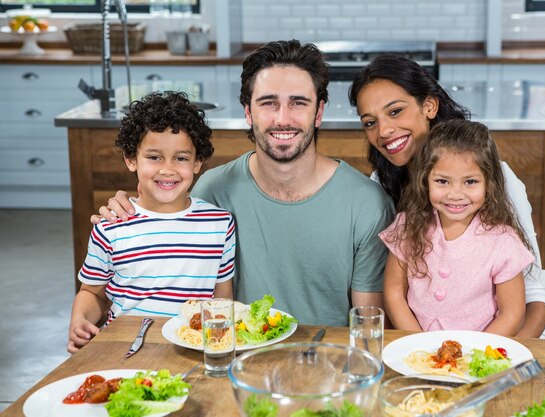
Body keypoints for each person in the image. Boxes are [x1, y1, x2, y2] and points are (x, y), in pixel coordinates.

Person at [92, 40, 395, 327]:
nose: (282, 118)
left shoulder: (367, 204)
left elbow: (367, 325)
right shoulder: (211, 191)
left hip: (329, 369)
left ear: (319, 112)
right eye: (268, 103)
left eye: (298, 103)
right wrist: (128, 207)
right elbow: (160, 246)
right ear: (248, 113)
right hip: (232, 367)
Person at [349, 55, 545, 337]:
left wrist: (491, 364)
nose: (384, 131)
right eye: (370, 122)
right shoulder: (379, 185)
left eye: (395, 111)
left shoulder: (497, 179)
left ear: (429, 105)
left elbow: (534, 297)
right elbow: (389, 289)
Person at [69, 91, 236, 353]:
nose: (167, 169)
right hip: (126, 350)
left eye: (180, 158)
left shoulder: (220, 224)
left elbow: (223, 299)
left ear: (197, 162)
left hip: (191, 351)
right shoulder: (111, 225)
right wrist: (80, 321)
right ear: (131, 159)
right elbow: (92, 292)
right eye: (154, 157)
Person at [380, 120, 533, 335]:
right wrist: (416, 342)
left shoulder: (503, 241)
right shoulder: (407, 227)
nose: (455, 194)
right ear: (425, 181)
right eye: (443, 181)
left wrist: (475, 352)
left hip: (476, 355)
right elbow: (394, 292)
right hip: (417, 351)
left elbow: (512, 314)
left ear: (489, 183)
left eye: (470, 182)